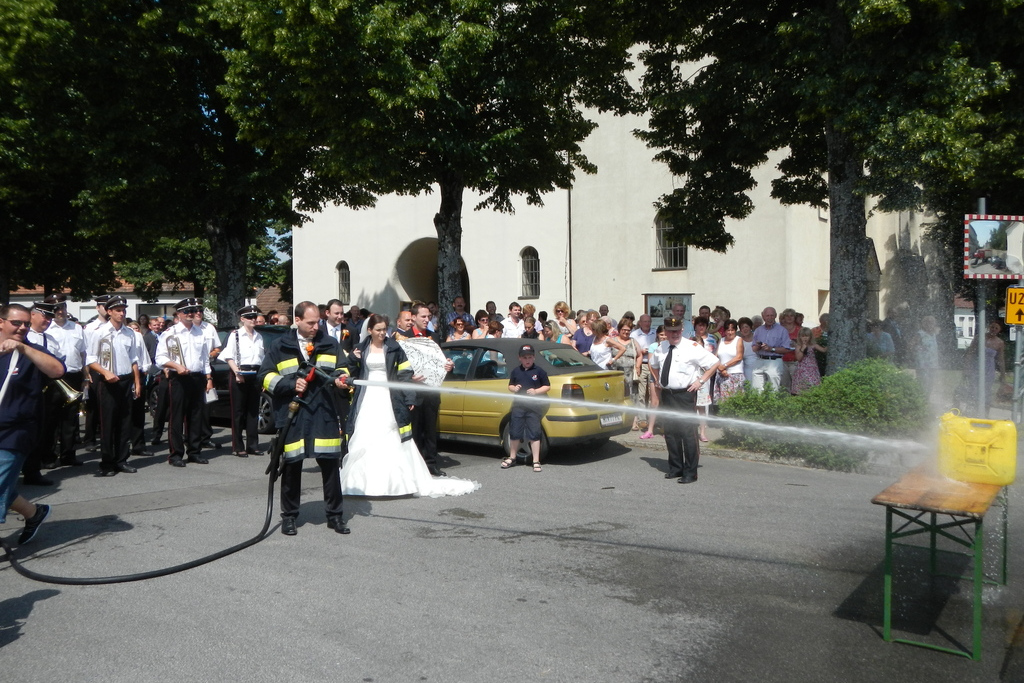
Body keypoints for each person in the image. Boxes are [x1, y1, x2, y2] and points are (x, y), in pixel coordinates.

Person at [341, 313, 478, 496]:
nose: (382, 333)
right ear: (370, 330)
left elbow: (405, 374)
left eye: (384, 330)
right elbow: (353, 373)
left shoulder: (394, 347)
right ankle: (360, 483)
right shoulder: (360, 348)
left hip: (389, 396)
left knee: (390, 435)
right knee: (365, 433)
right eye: (378, 330)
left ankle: (396, 482)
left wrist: (409, 397)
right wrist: (353, 359)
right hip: (367, 397)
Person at [260, 302, 353, 535]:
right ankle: (290, 517)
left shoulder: (330, 344)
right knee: (292, 465)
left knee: (331, 465)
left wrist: (342, 380)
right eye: (310, 323)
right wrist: (291, 384)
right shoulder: (279, 346)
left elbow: (343, 369)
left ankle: (335, 516)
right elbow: (265, 376)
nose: (315, 327)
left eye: (318, 322)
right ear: (297, 320)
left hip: (324, 413)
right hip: (293, 414)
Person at [0, 304, 65, 544]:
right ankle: (34, 513)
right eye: (16, 323)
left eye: (26, 323)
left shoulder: (32, 351)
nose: (22, 327)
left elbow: (57, 370)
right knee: (3, 484)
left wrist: (23, 348)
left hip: (16, 431)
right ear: (1, 323)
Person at [649, 317, 720, 484]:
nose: (674, 334)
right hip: (668, 394)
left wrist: (700, 381)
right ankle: (676, 467)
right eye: (670, 331)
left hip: (684, 395)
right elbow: (653, 364)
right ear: (665, 332)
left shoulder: (692, 347)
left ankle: (690, 471)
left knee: (688, 433)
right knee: (671, 433)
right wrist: (657, 380)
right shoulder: (662, 347)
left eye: (677, 330)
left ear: (682, 330)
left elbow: (714, 363)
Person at [86, 296, 142, 476]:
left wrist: (137, 382)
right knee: (108, 423)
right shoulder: (98, 332)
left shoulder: (130, 333)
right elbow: (90, 358)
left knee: (125, 422)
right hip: (108, 381)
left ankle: (121, 460)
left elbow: (134, 359)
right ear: (109, 312)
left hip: (125, 380)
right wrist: (104, 372)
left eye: (123, 310)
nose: (121, 313)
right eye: (118, 310)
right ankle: (107, 463)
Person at [155, 298, 212, 468]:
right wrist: (176, 366)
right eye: (187, 312)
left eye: (193, 311)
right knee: (177, 416)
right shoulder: (170, 333)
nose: (190, 314)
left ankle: (194, 451)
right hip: (178, 378)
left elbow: (204, 358)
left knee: (196, 416)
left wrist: (208, 378)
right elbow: (160, 358)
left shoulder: (200, 332)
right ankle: (176, 454)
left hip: (197, 377)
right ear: (179, 314)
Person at [23, 302, 65, 484]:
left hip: (45, 388)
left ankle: (33, 470)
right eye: (44, 317)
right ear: (32, 315)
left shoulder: (51, 339)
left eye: (50, 318)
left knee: (42, 429)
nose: (48, 321)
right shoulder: (24, 336)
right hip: (25, 388)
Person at [221, 305, 266, 457]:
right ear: (242, 319)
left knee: (253, 411)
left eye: (255, 317)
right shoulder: (235, 335)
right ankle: (238, 446)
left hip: (255, 374)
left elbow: (261, 359)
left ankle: (253, 445)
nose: (253, 319)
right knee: (238, 412)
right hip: (239, 373)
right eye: (250, 317)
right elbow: (228, 356)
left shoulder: (259, 336)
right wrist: (237, 373)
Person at [500, 343, 551, 472]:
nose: (527, 360)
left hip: (534, 408)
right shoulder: (516, 371)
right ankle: (512, 457)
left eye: (529, 357)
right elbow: (510, 385)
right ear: (520, 358)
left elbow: (547, 386)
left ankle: (536, 460)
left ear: (533, 358)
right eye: (524, 358)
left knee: (534, 433)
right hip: (518, 407)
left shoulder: (539, 371)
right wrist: (514, 388)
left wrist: (536, 391)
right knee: (515, 432)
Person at [50, 296, 86, 467]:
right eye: (56, 308)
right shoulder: (46, 328)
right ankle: (49, 456)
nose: (60, 311)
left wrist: (86, 376)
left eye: (62, 307)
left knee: (70, 418)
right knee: (51, 418)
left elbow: (83, 353)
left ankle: (68, 455)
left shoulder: (77, 328)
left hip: (74, 375)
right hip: (53, 377)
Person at [750, 307, 790, 391]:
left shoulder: (782, 330)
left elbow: (786, 349)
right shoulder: (758, 330)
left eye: (772, 315)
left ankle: (772, 404)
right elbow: (753, 348)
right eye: (767, 315)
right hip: (760, 360)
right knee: (756, 389)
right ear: (763, 316)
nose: (769, 318)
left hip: (774, 361)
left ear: (775, 316)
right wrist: (758, 346)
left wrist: (771, 349)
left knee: (773, 389)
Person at [691, 316, 717, 442]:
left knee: (702, 405)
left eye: (703, 325)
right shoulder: (689, 340)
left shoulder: (711, 340)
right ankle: (691, 430)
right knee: (691, 406)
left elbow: (714, 359)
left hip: (704, 377)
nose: (701, 327)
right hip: (691, 379)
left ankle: (702, 431)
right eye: (698, 325)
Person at [640, 325, 666, 440]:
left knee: (665, 404)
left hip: (666, 378)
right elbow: (650, 363)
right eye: (661, 334)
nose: (663, 337)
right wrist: (656, 378)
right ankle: (650, 430)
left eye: (665, 334)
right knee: (654, 403)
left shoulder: (670, 346)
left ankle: (665, 429)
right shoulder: (653, 346)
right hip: (654, 377)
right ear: (657, 335)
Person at [714, 319, 745, 403]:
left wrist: (724, 366)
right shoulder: (721, 340)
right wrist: (720, 369)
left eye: (732, 330)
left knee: (735, 402)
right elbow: (715, 357)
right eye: (728, 330)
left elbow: (739, 356)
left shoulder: (739, 340)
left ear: (735, 330)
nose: (730, 332)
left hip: (735, 375)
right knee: (722, 402)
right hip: (721, 375)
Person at [611, 317, 640, 404]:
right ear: (619, 329)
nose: (626, 332)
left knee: (630, 395)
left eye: (628, 330)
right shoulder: (613, 341)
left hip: (630, 374)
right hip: (616, 373)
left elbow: (639, 355)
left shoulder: (633, 341)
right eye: (624, 329)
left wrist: (638, 366)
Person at [913, 315, 940, 401]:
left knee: (931, 383)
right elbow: (911, 346)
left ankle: (926, 399)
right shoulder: (920, 334)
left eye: (932, 323)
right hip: (923, 364)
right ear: (924, 324)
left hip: (933, 363)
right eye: (929, 323)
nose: (931, 325)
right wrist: (919, 349)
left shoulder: (933, 335)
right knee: (923, 382)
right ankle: (920, 399)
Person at [737, 317, 759, 387]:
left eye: (746, 327)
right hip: (746, 368)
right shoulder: (739, 341)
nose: (745, 329)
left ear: (751, 327)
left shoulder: (757, 338)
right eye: (742, 328)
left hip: (759, 367)